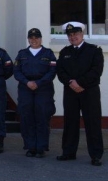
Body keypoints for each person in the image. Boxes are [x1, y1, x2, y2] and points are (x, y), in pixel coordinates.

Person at [55, 22, 104, 167]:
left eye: (75, 34)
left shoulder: (94, 50)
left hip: (89, 92)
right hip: (70, 92)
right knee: (70, 122)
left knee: (92, 123)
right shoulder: (65, 52)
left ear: (82, 34)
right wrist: (71, 82)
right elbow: (60, 71)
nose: (73, 37)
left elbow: (96, 71)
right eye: (70, 35)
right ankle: (69, 152)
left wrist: (80, 83)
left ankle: (96, 155)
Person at [13, 28, 57, 158]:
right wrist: (27, 82)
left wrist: (38, 83)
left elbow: (52, 71)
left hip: (43, 89)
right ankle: (30, 147)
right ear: (28, 39)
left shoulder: (48, 54)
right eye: (31, 38)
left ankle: (41, 147)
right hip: (25, 88)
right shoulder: (22, 54)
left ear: (41, 39)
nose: (34, 40)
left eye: (36, 38)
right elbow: (16, 71)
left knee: (42, 117)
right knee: (27, 117)